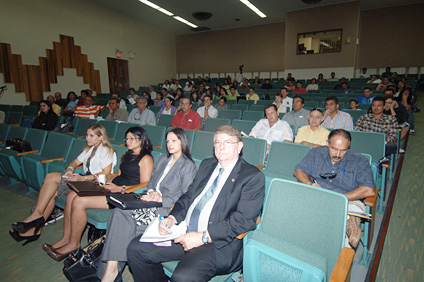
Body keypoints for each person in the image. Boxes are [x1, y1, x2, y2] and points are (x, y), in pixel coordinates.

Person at [126, 125, 265, 282]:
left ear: (239, 146)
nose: (221, 146)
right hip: (184, 231)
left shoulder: (252, 176)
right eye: (217, 142)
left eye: (227, 142)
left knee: (183, 277)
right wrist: (172, 218)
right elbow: (188, 196)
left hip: (217, 243)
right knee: (136, 249)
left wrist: (204, 237)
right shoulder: (207, 165)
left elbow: (244, 220)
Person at [97, 128, 197, 281]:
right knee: (118, 212)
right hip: (147, 201)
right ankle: (110, 271)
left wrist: (161, 198)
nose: (170, 144)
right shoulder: (163, 159)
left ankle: (110, 273)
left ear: (182, 142)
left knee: (122, 219)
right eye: (168, 141)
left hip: (165, 208)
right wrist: (151, 192)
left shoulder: (188, 166)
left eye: (174, 141)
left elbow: (185, 196)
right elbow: (150, 183)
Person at [43, 126, 152, 261]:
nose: (128, 141)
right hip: (112, 187)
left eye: (132, 138)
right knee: (72, 195)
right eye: (127, 138)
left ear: (142, 140)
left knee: (79, 201)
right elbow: (117, 175)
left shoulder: (146, 158)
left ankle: (74, 244)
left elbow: (145, 184)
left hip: (125, 194)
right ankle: (66, 238)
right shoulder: (127, 154)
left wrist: (119, 189)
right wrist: (102, 182)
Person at [9, 124, 116, 246]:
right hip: (83, 180)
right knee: (51, 183)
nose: (87, 138)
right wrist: (70, 169)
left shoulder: (106, 150)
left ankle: (36, 221)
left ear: (101, 137)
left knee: (53, 185)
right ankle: (36, 222)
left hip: (94, 183)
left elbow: (105, 173)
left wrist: (83, 178)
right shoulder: (89, 148)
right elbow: (75, 162)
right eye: (87, 135)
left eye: (91, 136)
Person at [294, 129, 375, 248]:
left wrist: (341, 198)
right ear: (327, 143)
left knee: (339, 231)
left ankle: (348, 229)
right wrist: (309, 183)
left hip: (348, 199)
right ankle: (347, 221)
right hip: (319, 195)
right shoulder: (316, 153)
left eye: (343, 150)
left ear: (349, 146)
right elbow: (298, 170)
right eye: (334, 149)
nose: (338, 154)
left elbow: (368, 189)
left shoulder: (359, 160)